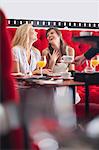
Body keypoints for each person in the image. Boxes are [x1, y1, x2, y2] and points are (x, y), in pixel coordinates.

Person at [42, 27, 80, 104]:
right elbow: (46, 74)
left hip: (65, 82)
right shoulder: (45, 52)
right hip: (52, 83)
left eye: (52, 33)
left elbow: (71, 70)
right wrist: (52, 61)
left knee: (69, 94)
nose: (49, 36)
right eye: (47, 35)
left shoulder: (69, 50)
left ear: (59, 35)